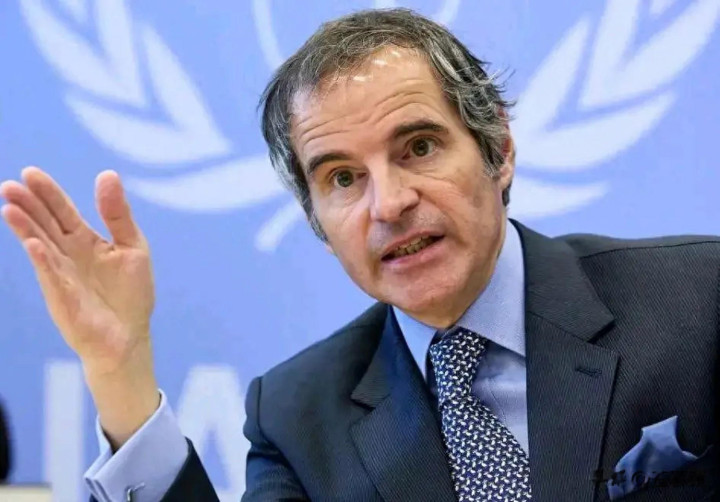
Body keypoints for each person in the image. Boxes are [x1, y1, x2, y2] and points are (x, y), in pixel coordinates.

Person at [1, 7, 718, 502]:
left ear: (497, 147)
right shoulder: (297, 417)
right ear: (315, 218)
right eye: (342, 179)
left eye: (419, 147)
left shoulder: (698, 298)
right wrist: (120, 373)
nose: (389, 203)